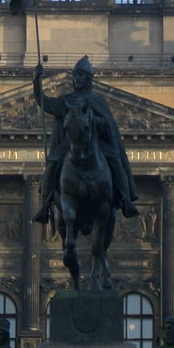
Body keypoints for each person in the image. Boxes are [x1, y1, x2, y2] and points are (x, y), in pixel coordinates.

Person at [33, 55, 139, 224]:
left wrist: (94, 122)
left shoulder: (97, 101)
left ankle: (126, 200)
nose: (76, 80)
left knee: (117, 163)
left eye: (80, 76)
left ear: (88, 79)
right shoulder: (67, 100)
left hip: (96, 143)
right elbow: (45, 103)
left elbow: (107, 124)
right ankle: (44, 206)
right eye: (75, 76)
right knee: (52, 164)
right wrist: (37, 82)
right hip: (70, 144)